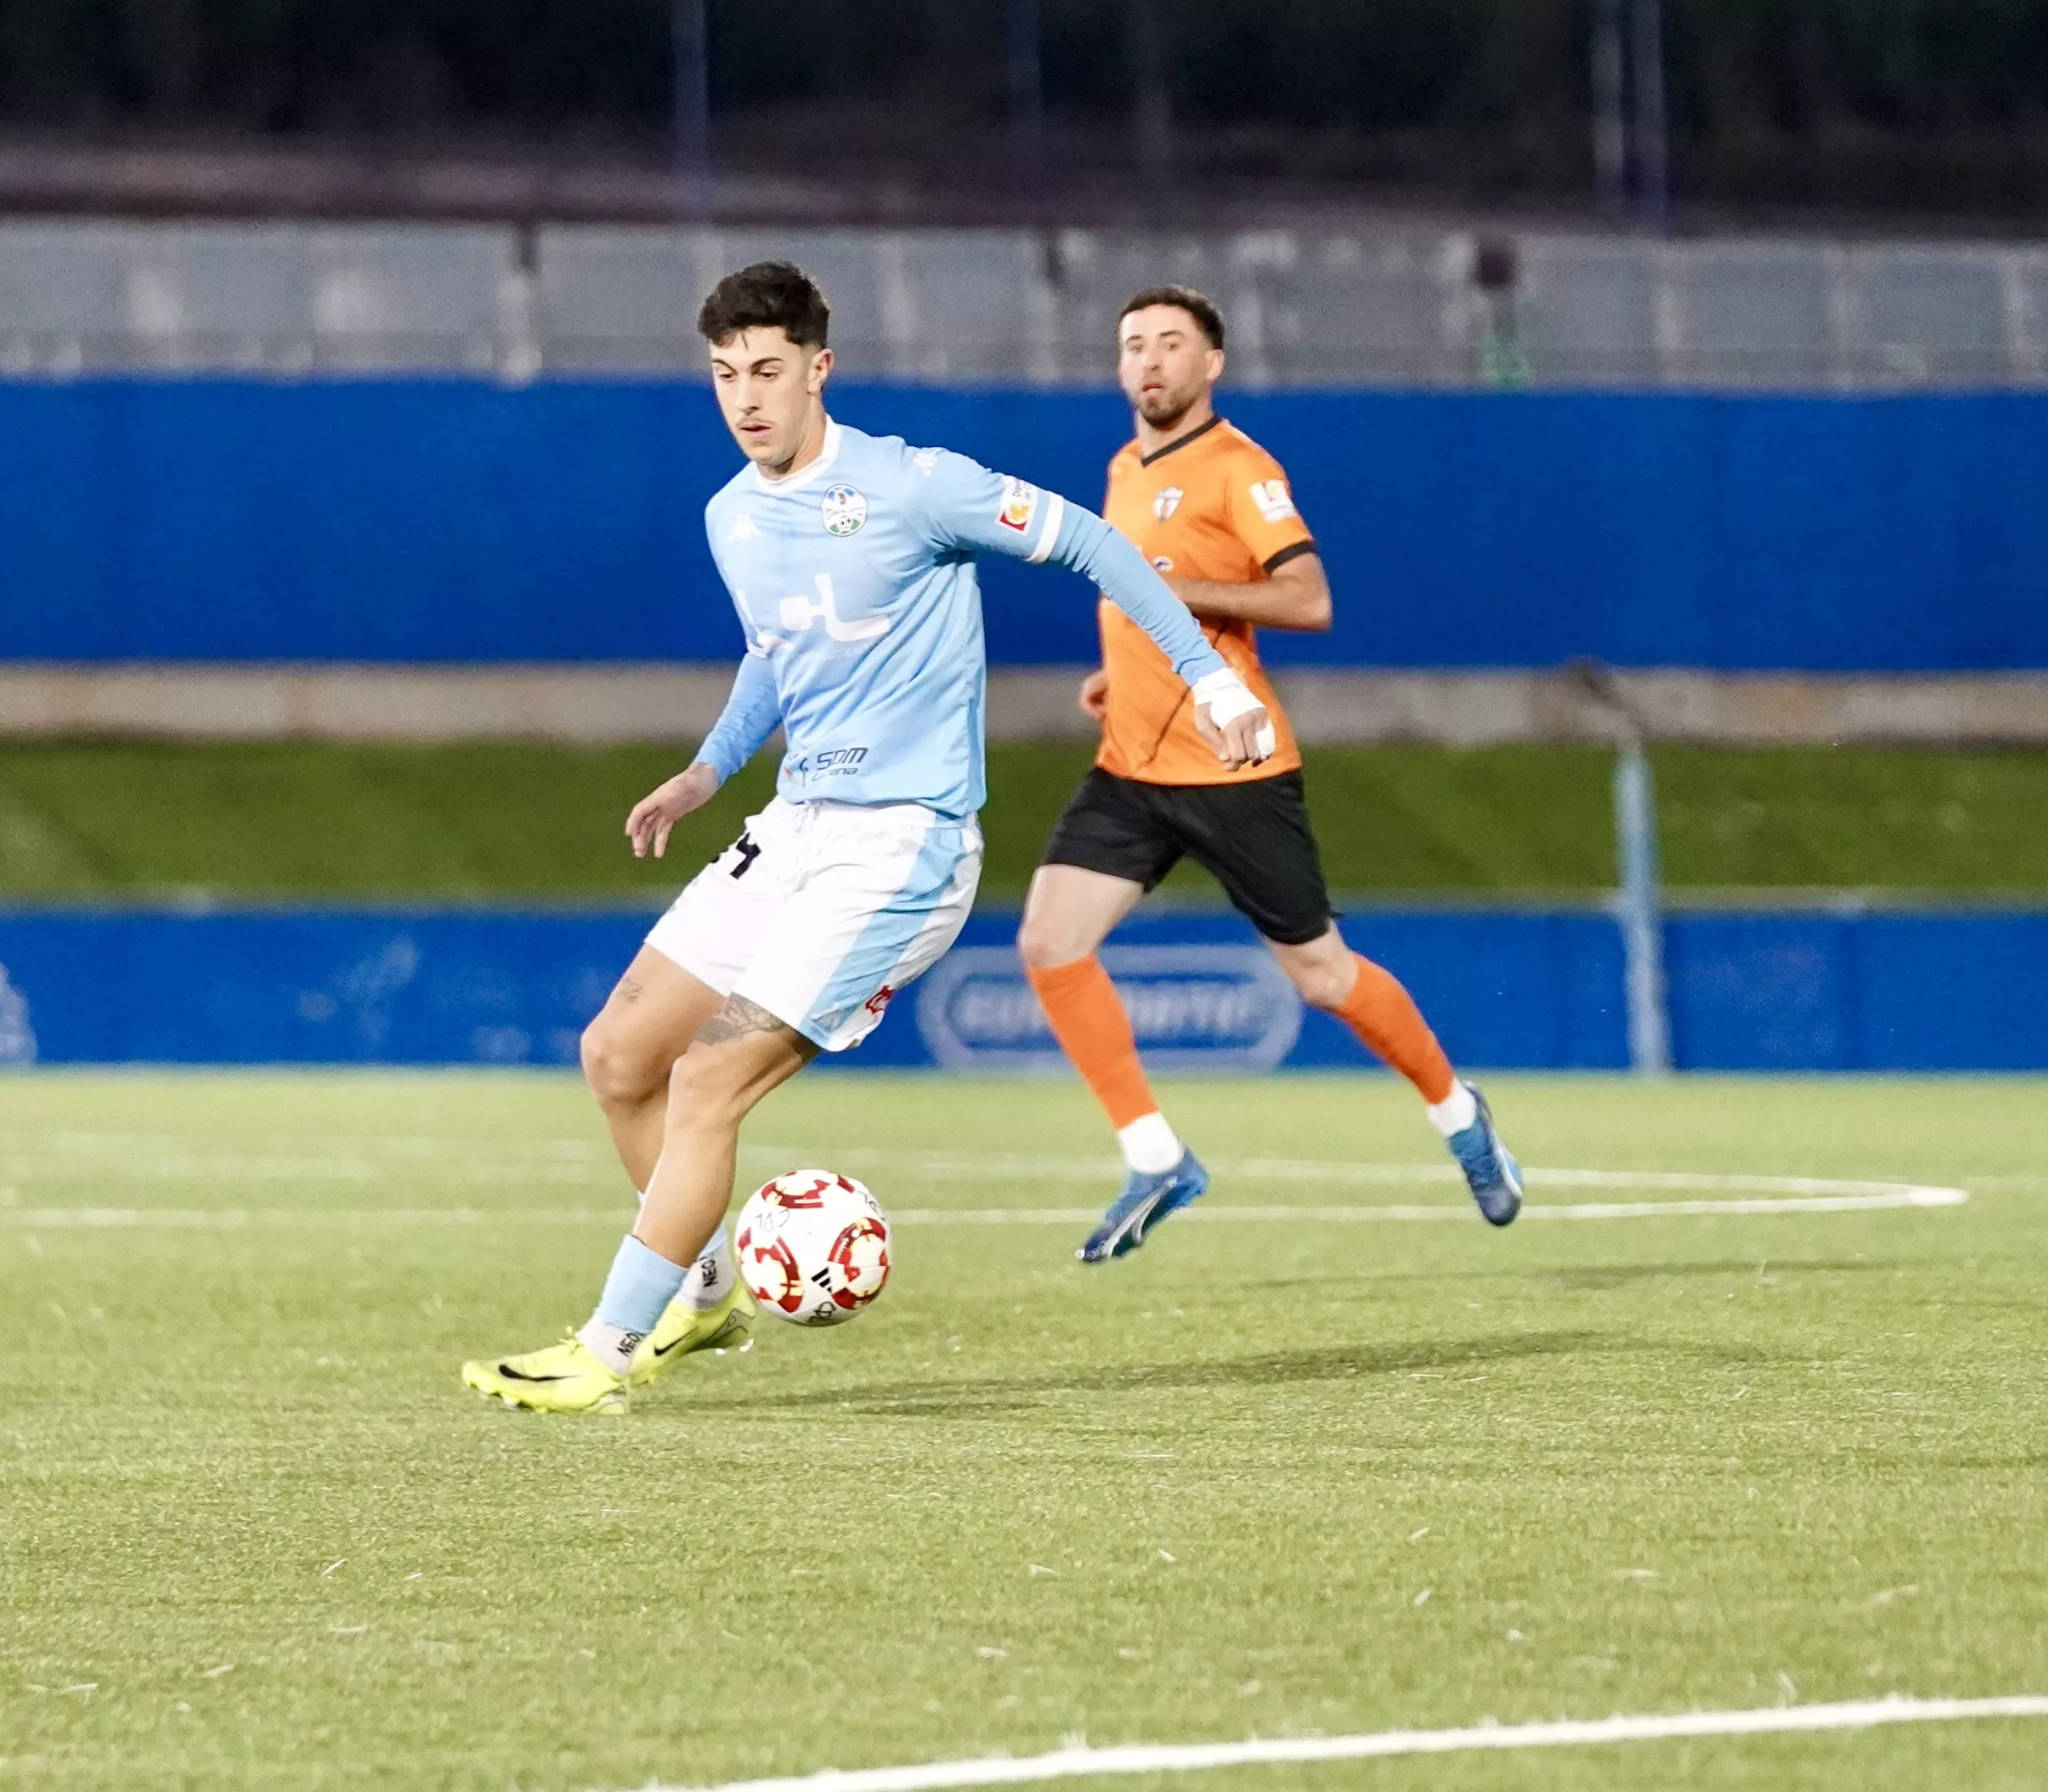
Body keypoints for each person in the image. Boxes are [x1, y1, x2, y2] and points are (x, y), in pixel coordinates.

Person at [464, 262, 1274, 1415]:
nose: (746, 399)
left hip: (902, 846)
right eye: (725, 376)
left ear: (818, 368)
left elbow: (1095, 542)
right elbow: (776, 654)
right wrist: (707, 768)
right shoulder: (731, 516)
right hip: (792, 826)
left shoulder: (916, 485)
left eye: (768, 372)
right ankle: (697, 1292)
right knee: (620, 1057)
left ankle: (606, 1348)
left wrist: (1206, 679)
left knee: (705, 1081)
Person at [1015, 285, 1523, 1264]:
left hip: (1234, 768)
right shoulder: (1123, 467)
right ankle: (1156, 1158)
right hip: (1131, 762)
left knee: (1323, 976)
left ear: (1212, 365)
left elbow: (1308, 597)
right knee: (1049, 941)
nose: (1150, 360)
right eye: (1133, 346)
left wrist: (1177, 593)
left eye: (1171, 343)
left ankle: (1459, 1116)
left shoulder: (1241, 469)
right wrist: (1116, 670)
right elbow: (1148, 606)